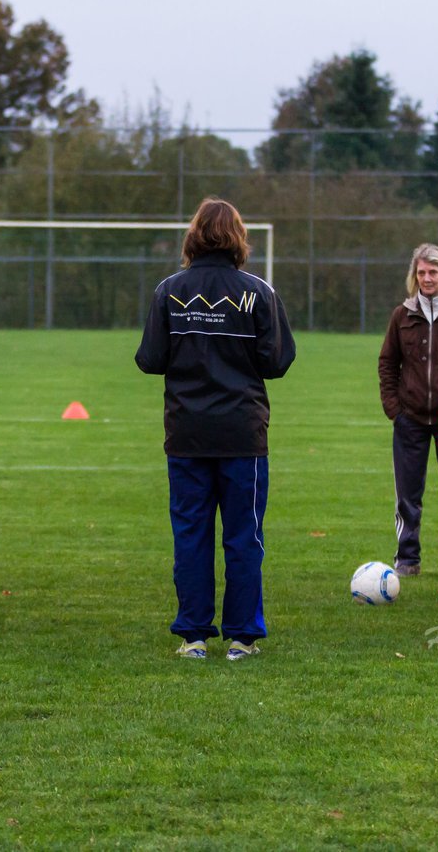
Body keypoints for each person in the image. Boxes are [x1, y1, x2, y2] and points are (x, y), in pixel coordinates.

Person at [135, 197, 295, 661]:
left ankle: (194, 637)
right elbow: (278, 361)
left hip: (186, 435)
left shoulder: (169, 291)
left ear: (194, 235)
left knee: (191, 534)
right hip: (243, 436)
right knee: (244, 536)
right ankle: (242, 638)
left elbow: (149, 360)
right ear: (239, 238)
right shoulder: (258, 292)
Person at [378, 244, 438, 578]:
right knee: (407, 493)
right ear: (414, 276)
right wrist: (394, 409)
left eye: (433, 272)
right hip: (411, 419)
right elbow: (388, 363)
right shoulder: (401, 316)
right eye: (421, 273)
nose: (427, 278)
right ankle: (407, 559)